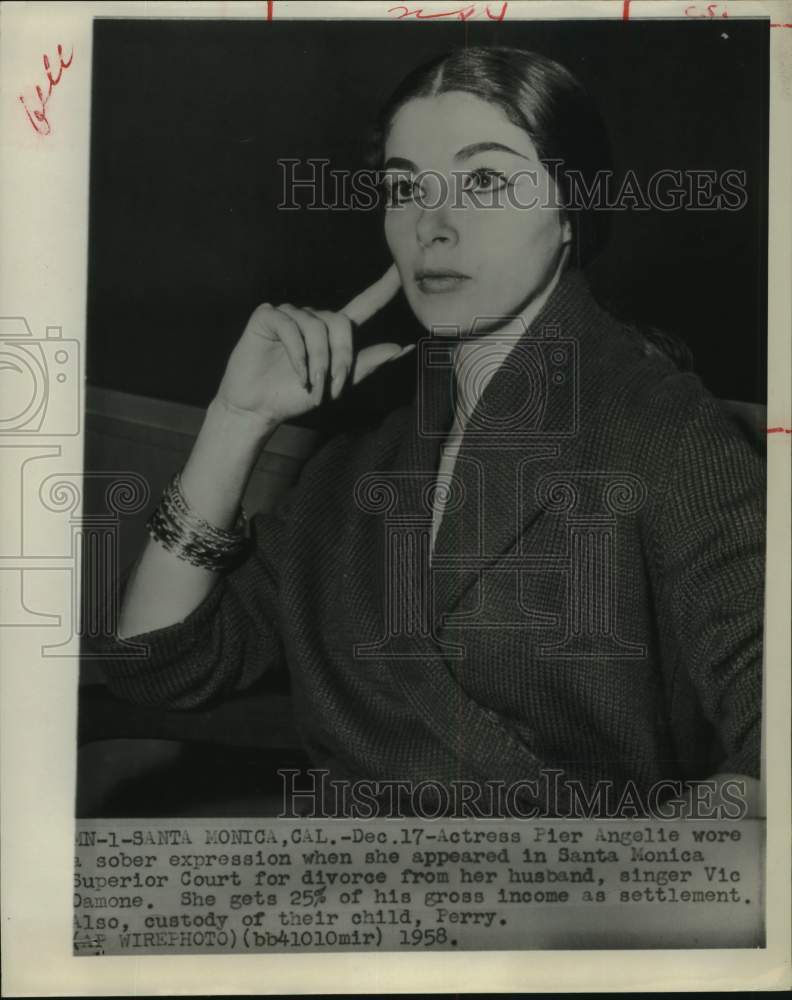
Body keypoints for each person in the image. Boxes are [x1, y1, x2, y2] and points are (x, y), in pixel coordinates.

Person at [97, 46, 764, 819]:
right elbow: (155, 666)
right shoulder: (357, 463)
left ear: (572, 210)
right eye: (405, 185)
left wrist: (607, 898)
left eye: (484, 180)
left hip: (556, 913)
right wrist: (235, 421)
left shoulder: (669, 432)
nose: (431, 225)